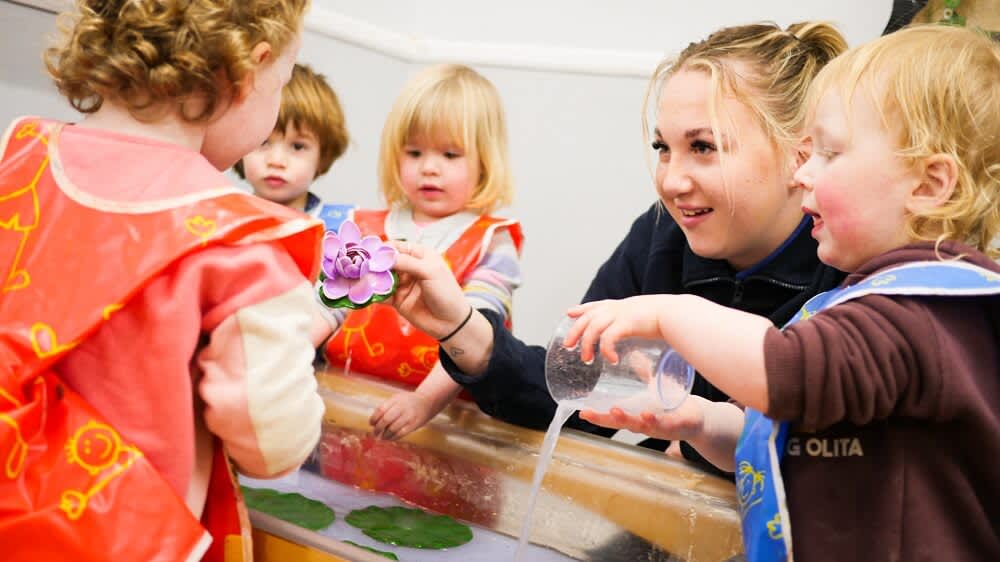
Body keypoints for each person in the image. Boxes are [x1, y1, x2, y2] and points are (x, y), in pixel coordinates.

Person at [565, 24, 1000, 562]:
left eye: (830, 154)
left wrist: (669, 313)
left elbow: (788, 373)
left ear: (929, 185)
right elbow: (794, 431)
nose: (804, 173)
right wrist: (700, 420)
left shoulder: (925, 312)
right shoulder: (876, 299)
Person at [385, 22, 848, 470]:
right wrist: (462, 328)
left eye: (703, 147)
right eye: (663, 147)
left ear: (799, 157)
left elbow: (833, 450)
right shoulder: (660, 234)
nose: (670, 180)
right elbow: (572, 395)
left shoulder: (850, 273)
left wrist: (698, 442)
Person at [0, 1, 325, 560]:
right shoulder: (242, 242)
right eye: (284, 82)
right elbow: (273, 442)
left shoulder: (17, 158)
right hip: (122, 539)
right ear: (251, 70)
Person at [320, 64, 523, 441]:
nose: (429, 168)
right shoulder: (361, 228)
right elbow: (329, 306)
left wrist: (423, 403)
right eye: (414, 152)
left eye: (449, 154)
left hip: (445, 429)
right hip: (348, 413)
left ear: (484, 162)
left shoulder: (492, 243)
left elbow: (478, 333)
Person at [235, 63, 355, 234]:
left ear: (323, 157)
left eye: (298, 146)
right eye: (263, 142)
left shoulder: (340, 229)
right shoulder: (223, 219)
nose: (276, 161)